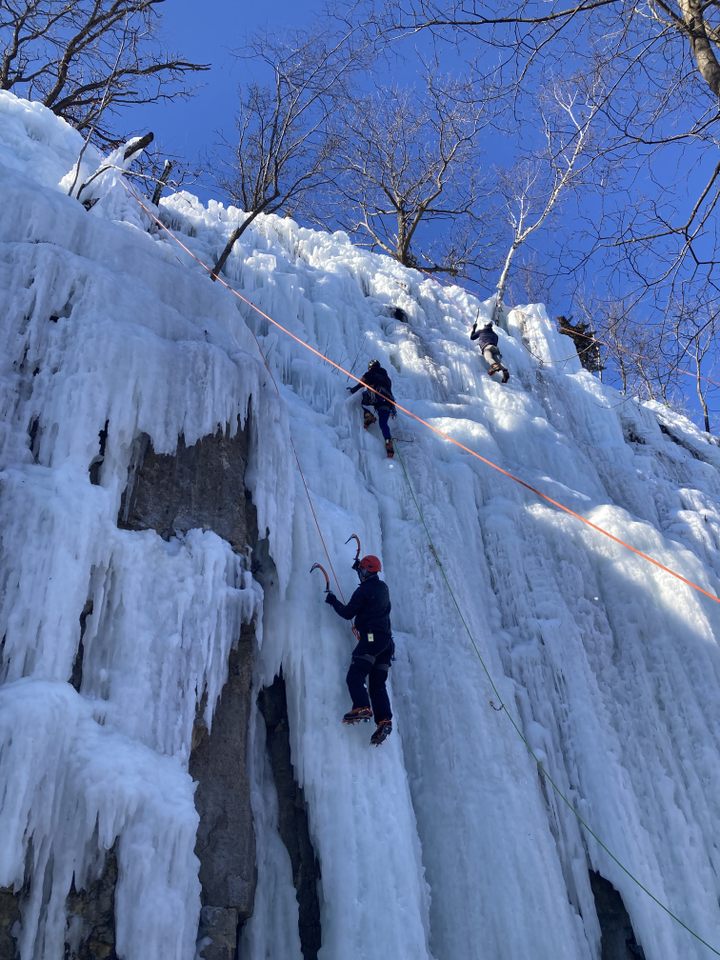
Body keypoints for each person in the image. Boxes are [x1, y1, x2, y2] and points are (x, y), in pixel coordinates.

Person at [325, 554, 394, 745]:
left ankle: (362, 706)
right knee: (378, 685)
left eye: (362, 570)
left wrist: (333, 601)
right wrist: (359, 567)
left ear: (366, 571)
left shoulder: (364, 590)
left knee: (355, 674)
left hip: (372, 639)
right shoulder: (383, 587)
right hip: (387, 644)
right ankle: (384, 720)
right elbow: (370, 592)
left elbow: (348, 613)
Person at [347, 359, 396, 458]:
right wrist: (393, 409)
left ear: (371, 367)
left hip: (376, 395)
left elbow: (361, 383)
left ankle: (368, 415)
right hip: (388, 402)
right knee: (383, 423)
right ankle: (388, 441)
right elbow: (390, 392)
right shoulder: (387, 379)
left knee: (360, 398)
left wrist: (353, 390)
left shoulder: (371, 373)